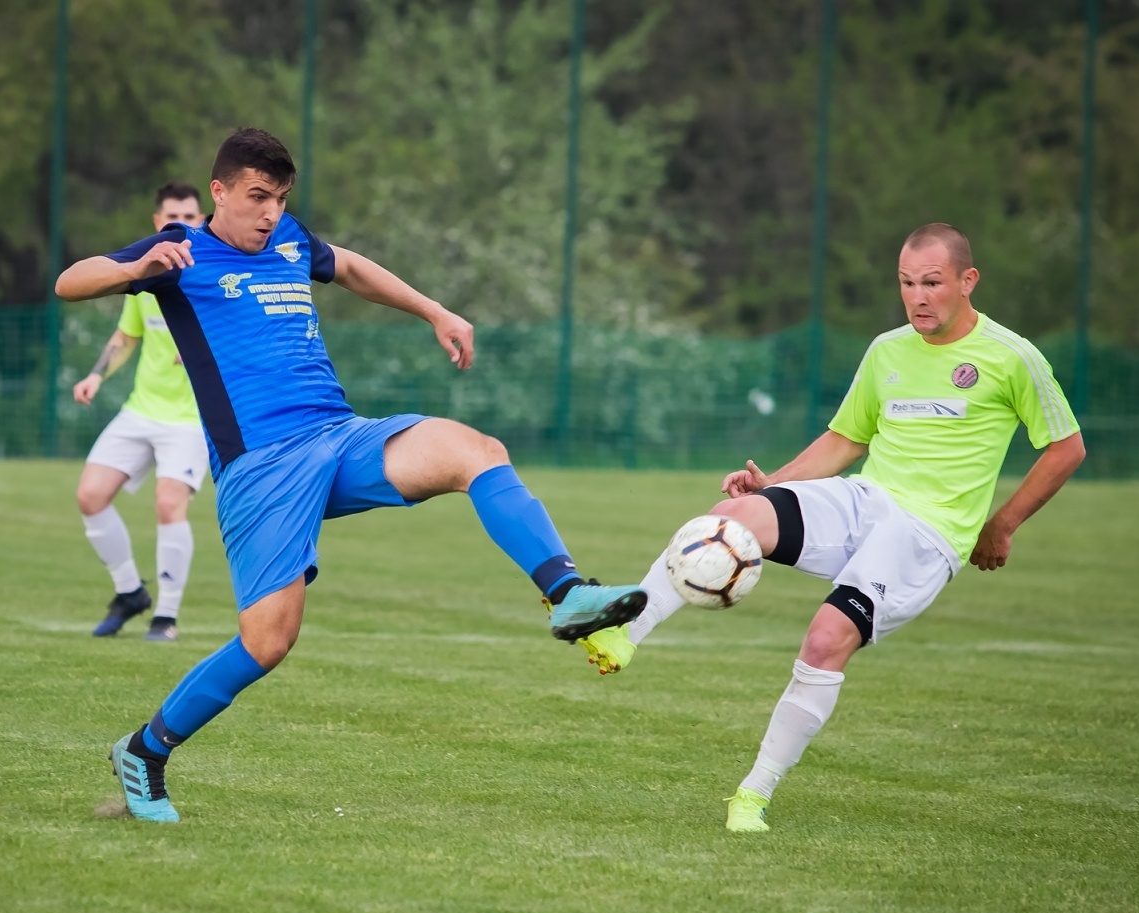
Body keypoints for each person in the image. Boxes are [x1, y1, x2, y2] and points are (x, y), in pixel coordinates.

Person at [55, 128, 646, 822]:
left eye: (278, 199)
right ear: (218, 193)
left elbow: (353, 267)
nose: (269, 212)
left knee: (476, 450)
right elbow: (70, 281)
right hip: (263, 470)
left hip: (339, 436)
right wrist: (135, 267)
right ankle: (145, 751)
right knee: (268, 641)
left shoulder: (290, 239)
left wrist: (434, 310)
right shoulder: (179, 253)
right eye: (255, 197)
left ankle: (568, 592)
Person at [577, 223, 1086, 832]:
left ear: (967, 281)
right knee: (733, 516)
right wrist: (775, 487)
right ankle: (623, 631)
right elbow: (846, 439)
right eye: (906, 283)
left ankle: (753, 795)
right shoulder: (887, 350)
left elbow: (1066, 447)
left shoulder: (1012, 357)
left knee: (825, 639)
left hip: (925, 538)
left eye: (932, 283)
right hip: (867, 500)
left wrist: (1002, 525)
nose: (918, 297)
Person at [74, 183, 209, 642]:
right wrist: (96, 375)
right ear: (158, 223)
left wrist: (202, 353)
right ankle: (130, 592)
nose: (184, 224)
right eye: (174, 216)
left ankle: (165, 618)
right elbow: (127, 336)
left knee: (169, 505)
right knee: (90, 496)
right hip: (141, 409)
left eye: (192, 216)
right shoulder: (149, 277)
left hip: (191, 418)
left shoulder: (211, 274)